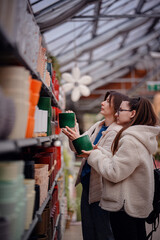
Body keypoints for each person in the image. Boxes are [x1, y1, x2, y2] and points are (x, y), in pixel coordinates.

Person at [82, 97, 160, 240]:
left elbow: (114, 172)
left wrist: (93, 156)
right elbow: (123, 164)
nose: (117, 114)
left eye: (121, 110)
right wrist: (99, 151)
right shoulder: (140, 137)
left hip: (125, 208)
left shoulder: (131, 140)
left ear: (132, 114)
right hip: (133, 205)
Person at [62, 91, 128, 240]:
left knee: (103, 231)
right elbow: (78, 149)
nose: (102, 103)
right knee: (89, 231)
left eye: (108, 101)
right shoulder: (97, 126)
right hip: (88, 187)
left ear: (117, 108)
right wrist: (74, 128)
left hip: (102, 191)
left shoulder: (117, 132)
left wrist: (78, 138)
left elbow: (102, 156)